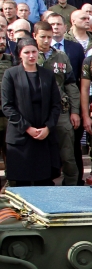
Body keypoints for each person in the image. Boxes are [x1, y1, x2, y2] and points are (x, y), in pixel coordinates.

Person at [1, 37, 61, 186]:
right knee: (23, 184)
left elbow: (56, 104)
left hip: (44, 135)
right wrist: (27, 128)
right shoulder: (11, 74)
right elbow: (7, 106)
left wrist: (48, 128)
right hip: (21, 137)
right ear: (19, 54)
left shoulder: (47, 75)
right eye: (26, 52)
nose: (31, 55)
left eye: (34, 51)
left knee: (44, 182)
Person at [33, 21, 81, 187]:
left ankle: (72, 186)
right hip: (37, 112)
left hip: (61, 109)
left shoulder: (61, 56)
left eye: (49, 37)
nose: (46, 41)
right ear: (35, 36)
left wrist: (75, 111)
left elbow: (71, 84)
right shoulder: (29, 54)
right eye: (43, 37)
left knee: (67, 152)